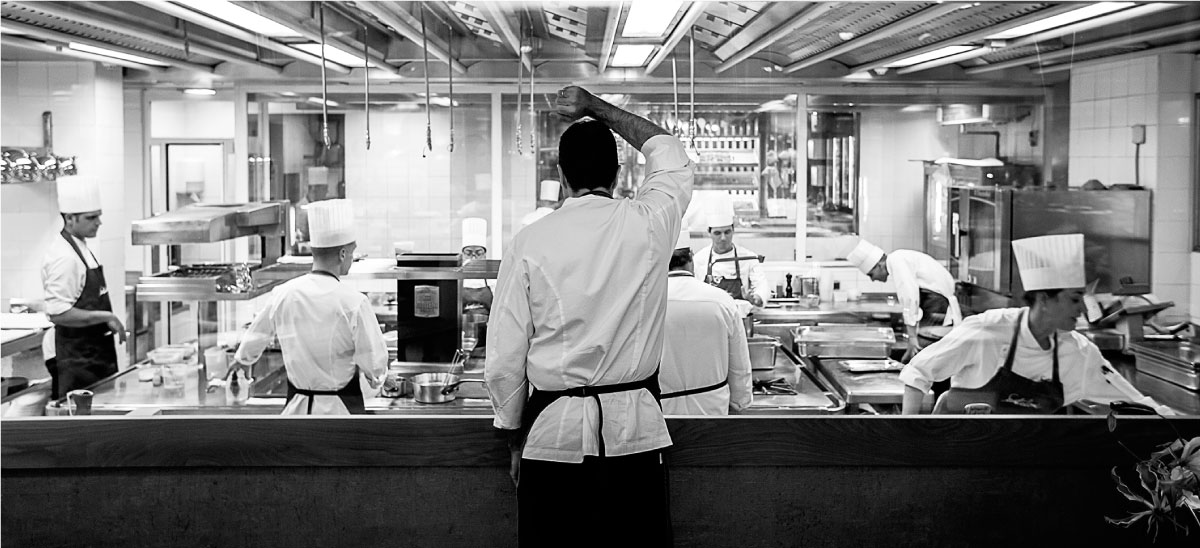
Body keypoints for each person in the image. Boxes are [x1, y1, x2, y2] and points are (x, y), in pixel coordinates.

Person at [486, 85, 692, 548]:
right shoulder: (650, 222)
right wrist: (596, 107)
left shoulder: (530, 242)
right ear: (618, 175)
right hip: (635, 436)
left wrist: (514, 435)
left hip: (552, 438)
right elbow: (668, 153)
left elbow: (504, 358)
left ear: (560, 175)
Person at [899, 234, 1166, 415]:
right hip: (956, 448)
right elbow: (918, 372)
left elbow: (1136, 403)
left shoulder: (1079, 352)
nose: (1082, 310)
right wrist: (908, 439)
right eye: (1074, 299)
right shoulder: (988, 330)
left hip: (1021, 456)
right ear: (1044, 299)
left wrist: (1176, 426)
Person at [232, 199, 387, 415]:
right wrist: (378, 379)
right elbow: (374, 366)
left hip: (296, 413)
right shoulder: (354, 302)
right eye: (352, 253)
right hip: (340, 415)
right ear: (342, 254)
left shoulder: (283, 294)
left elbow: (255, 337)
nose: (352, 259)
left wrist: (241, 361)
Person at [41, 176, 126, 399]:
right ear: (70, 218)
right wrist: (106, 316)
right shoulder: (65, 258)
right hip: (75, 360)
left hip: (94, 355)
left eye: (98, 215)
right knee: (78, 416)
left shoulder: (81, 248)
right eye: (91, 217)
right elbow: (59, 313)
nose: (98, 222)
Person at [660, 231, 753, 415]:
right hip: (713, 410)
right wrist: (740, 402)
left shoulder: (646, 302)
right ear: (691, 259)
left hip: (662, 410)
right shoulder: (722, 301)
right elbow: (739, 364)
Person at [847, 239, 963, 363]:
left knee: (926, 356)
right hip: (936, 303)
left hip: (936, 304)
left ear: (879, 265)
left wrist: (912, 338)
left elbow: (909, 298)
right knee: (926, 355)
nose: (873, 279)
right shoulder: (899, 258)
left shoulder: (897, 261)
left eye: (871, 274)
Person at [693, 207, 769, 312]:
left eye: (727, 232)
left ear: (733, 231)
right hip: (710, 317)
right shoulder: (699, 259)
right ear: (709, 233)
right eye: (717, 233)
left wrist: (756, 298)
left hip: (739, 318)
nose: (723, 238)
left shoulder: (748, 257)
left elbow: (762, 285)